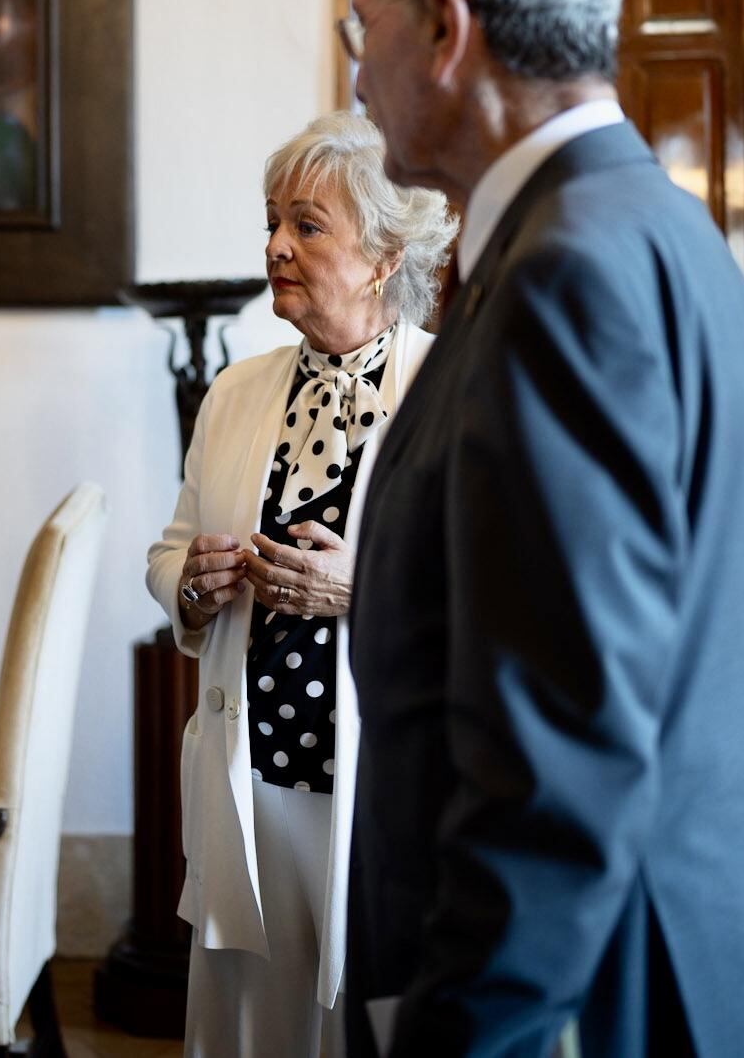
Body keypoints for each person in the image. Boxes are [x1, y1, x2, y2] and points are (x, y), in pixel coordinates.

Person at [339, 0, 744, 1058]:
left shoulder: (563, 275)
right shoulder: (662, 228)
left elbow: (556, 750)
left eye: (362, 28)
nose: (354, 78)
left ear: (444, 29)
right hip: (685, 950)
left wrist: (462, 1033)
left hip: (589, 993)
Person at [145, 111, 456, 1057]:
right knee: (249, 1021)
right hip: (252, 777)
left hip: (384, 792)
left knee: (369, 1020)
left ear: (383, 253)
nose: (275, 245)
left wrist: (371, 587)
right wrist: (189, 587)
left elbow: (504, 593)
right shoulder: (235, 393)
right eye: (272, 221)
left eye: (307, 225)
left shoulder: (452, 391)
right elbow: (169, 552)